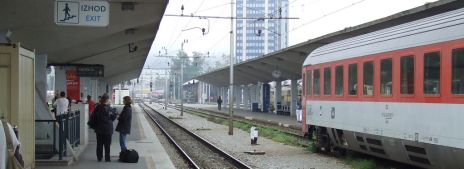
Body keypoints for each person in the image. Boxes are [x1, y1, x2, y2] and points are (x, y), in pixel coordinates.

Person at [93, 93, 117, 162]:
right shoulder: (110, 108)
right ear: (107, 100)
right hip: (108, 129)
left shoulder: (97, 108)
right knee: (107, 144)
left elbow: (93, 118)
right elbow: (113, 117)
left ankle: (99, 157)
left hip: (99, 129)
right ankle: (107, 158)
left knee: (99, 144)